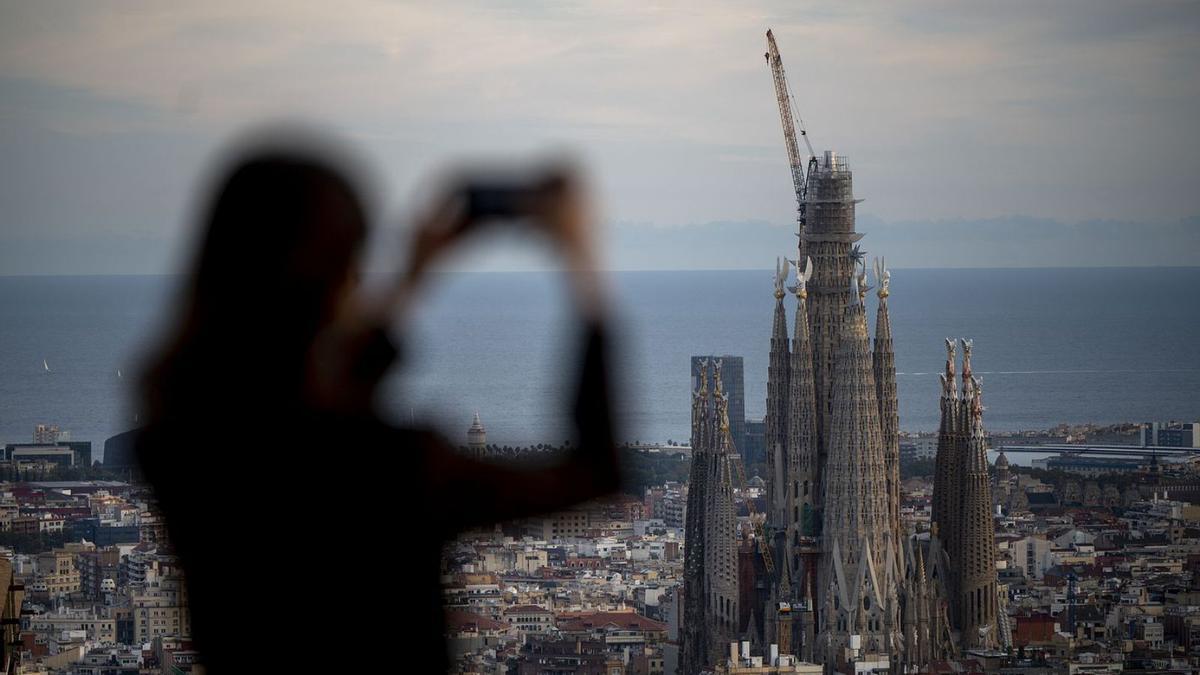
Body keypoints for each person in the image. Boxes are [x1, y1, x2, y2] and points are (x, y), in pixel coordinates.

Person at [136, 144, 620, 672]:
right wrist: (584, 268)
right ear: (339, 282)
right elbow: (592, 472)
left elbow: (294, 409)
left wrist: (410, 280)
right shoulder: (389, 465)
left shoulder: (177, 444)